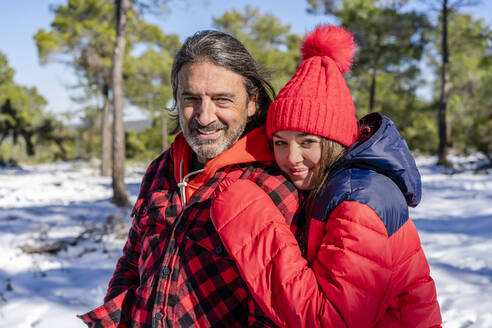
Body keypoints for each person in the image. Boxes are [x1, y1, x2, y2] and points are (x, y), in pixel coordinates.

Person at [210, 25, 442, 327]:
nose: (291, 158)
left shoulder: (359, 202)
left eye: (307, 142)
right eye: (281, 142)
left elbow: (330, 321)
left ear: (336, 142)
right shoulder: (337, 187)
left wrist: (247, 216)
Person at [78, 30, 302, 328]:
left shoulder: (271, 185)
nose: (204, 116)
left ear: (251, 102)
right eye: (191, 99)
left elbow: (273, 312)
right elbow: (132, 261)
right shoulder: (162, 169)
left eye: (222, 99)